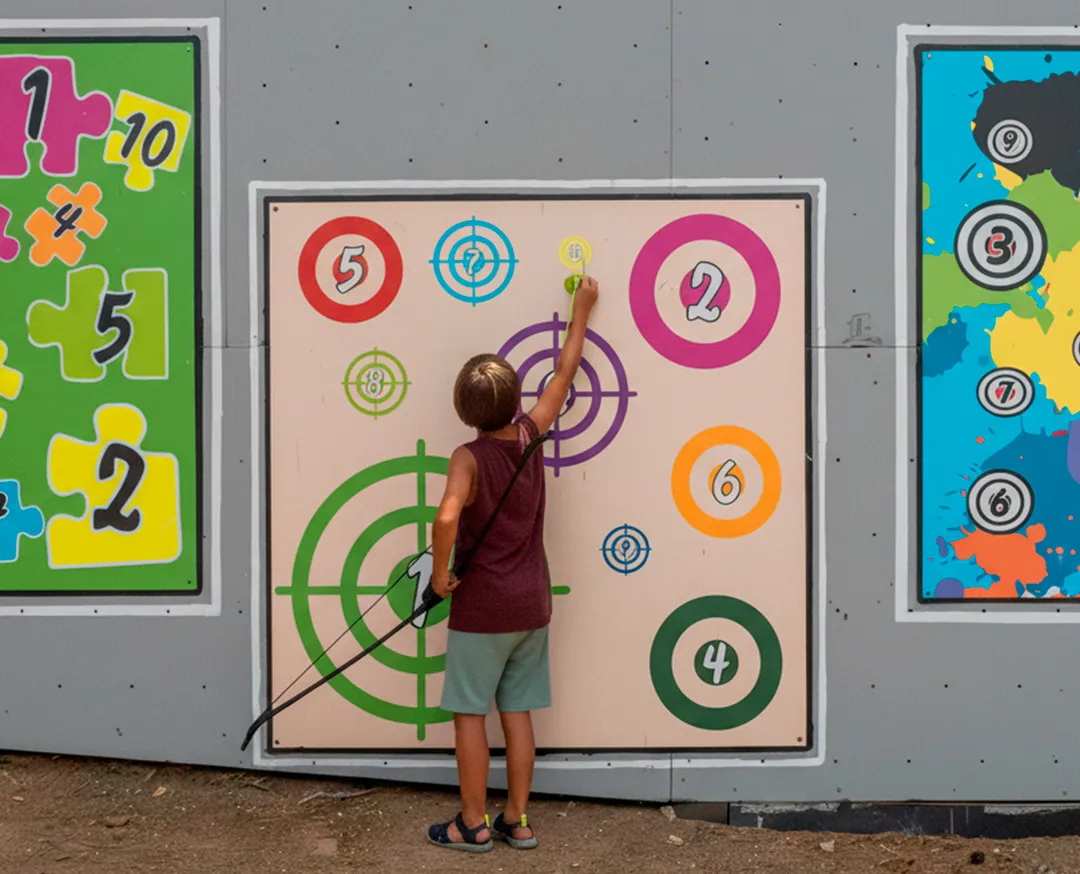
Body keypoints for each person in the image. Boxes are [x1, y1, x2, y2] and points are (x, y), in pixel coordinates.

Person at [426, 276, 600, 853]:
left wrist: (439, 574)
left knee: (470, 716)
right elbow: (564, 373)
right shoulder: (531, 431)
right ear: (513, 399)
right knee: (518, 712)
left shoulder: (467, 457)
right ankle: (518, 820)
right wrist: (580, 311)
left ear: (463, 408)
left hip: (483, 609)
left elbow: (448, 516)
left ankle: (472, 823)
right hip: (532, 603)